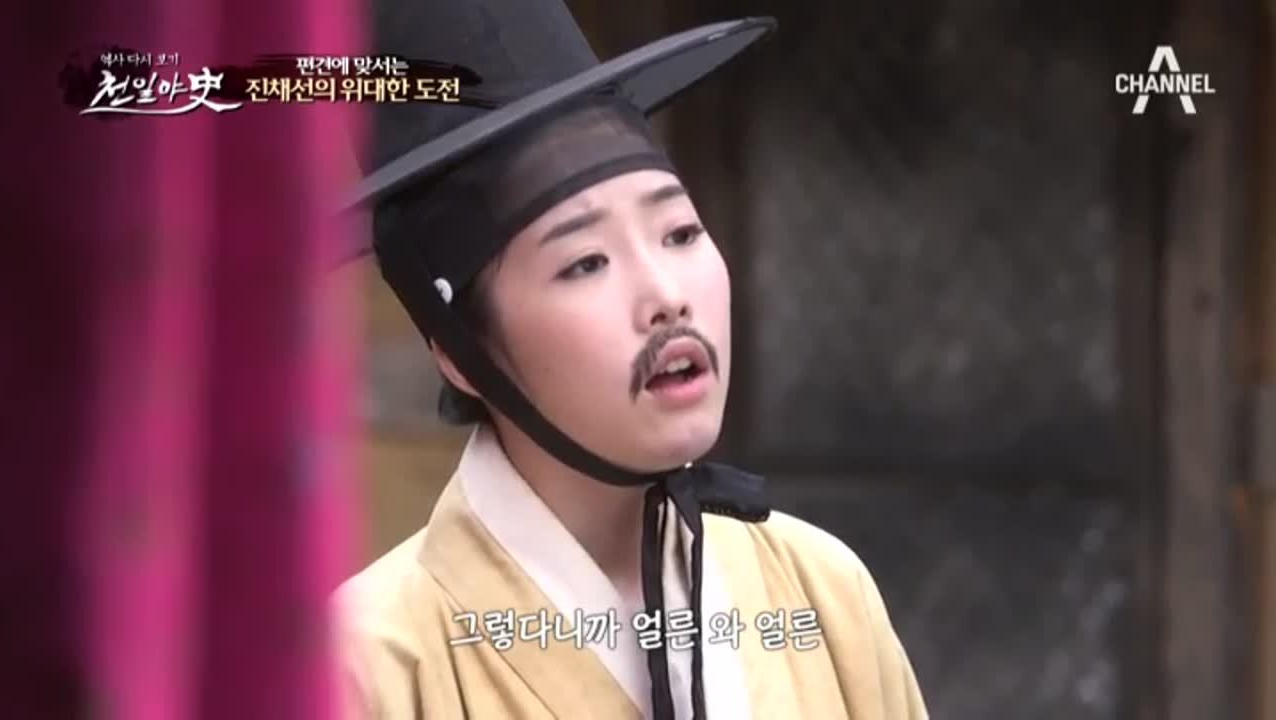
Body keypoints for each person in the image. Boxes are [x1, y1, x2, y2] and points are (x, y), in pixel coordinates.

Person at [333, 0, 929, 718]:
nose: (666, 297)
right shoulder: (363, 666)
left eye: (679, 232)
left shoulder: (822, 591)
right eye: (585, 262)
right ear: (459, 352)